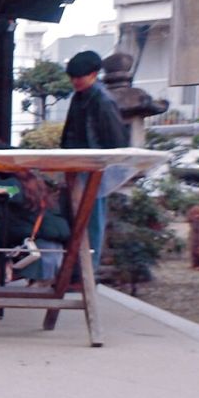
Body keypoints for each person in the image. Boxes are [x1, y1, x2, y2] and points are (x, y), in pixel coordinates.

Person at [60, 50, 128, 269]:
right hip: (76, 166)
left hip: (94, 169)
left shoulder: (103, 100)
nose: (75, 81)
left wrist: (101, 167)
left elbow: (116, 142)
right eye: (72, 77)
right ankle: (74, 271)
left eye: (79, 77)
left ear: (94, 74)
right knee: (74, 219)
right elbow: (69, 133)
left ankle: (88, 272)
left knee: (91, 222)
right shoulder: (78, 97)